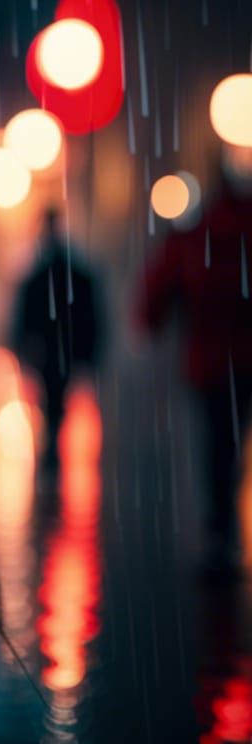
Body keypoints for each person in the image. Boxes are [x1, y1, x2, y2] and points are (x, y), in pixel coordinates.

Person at [136, 144, 252, 579]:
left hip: (210, 362)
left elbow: (161, 285)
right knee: (227, 441)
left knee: (217, 446)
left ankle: (220, 532)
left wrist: (151, 323)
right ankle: (224, 531)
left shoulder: (200, 232)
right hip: (238, 358)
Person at [10, 208, 104, 471]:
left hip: (50, 348)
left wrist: (23, 346)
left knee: (53, 397)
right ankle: (53, 443)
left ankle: (52, 445)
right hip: (62, 347)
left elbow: (25, 314)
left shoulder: (42, 274)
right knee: (56, 396)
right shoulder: (71, 272)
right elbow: (89, 312)